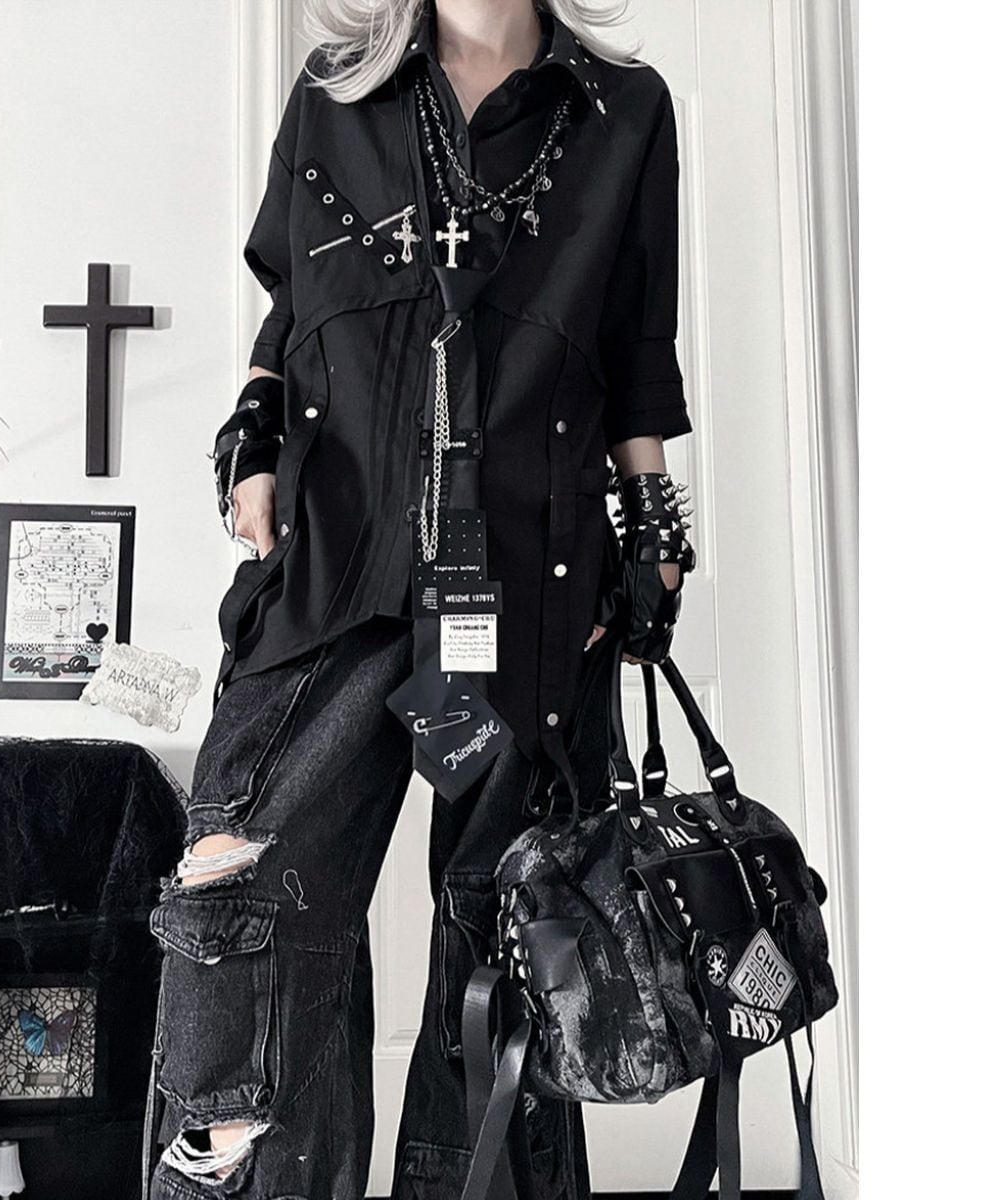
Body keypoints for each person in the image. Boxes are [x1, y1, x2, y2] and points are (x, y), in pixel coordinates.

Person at [143, 2, 695, 1197]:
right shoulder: (338, 89)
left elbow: (635, 352)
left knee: (512, 947)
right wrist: (250, 442)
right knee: (241, 888)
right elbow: (291, 304)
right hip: (336, 561)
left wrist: (655, 536)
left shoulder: (625, 110)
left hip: (531, 578)